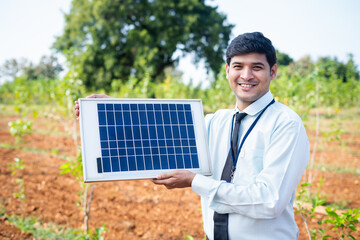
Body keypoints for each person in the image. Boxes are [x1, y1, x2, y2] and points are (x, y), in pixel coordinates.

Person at [75, 32, 309, 240]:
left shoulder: (285, 124)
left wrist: (194, 181)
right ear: (228, 71)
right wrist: (113, 111)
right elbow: (159, 134)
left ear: (273, 71)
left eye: (256, 67)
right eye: (238, 66)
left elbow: (269, 200)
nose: (246, 75)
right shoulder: (215, 121)